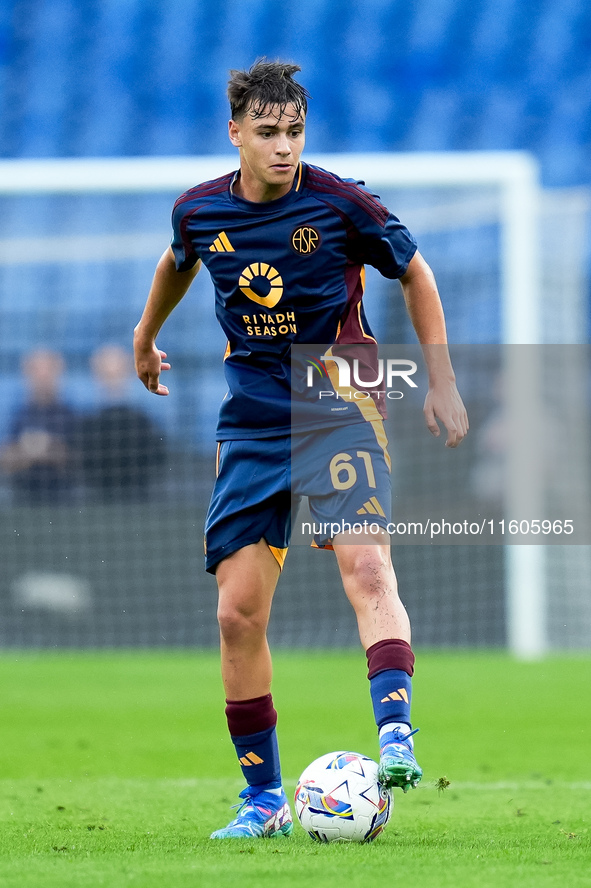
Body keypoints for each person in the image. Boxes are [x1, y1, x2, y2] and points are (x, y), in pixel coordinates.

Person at [134, 60, 468, 840]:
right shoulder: (199, 211)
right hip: (251, 421)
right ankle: (261, 801)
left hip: (340, 403)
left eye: (294, 133)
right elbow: (177, 260)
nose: (283, 148)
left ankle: (394, 734)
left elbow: (414, 271)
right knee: (237, 615)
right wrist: (145, 338)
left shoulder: (342, 203)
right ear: (236, 135)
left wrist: (440, 380)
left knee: (367, 565)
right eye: (267, 134)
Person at [79, 344, 166, 502]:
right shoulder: (88, 425)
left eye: (116, 372)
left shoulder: (142, 422)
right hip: (97, 502)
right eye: (107, 373)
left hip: (139, 501)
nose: (112, 378)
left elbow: (156, 459)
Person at [0, 349, 77, 505]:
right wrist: (30, 450)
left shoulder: (70, 415)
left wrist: (45, 447)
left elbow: (77, 459)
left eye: (48, 370)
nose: (42, 376)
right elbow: (5, 458)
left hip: (63, 498)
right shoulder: (18, 416)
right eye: (36, 370)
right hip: (21, 497)